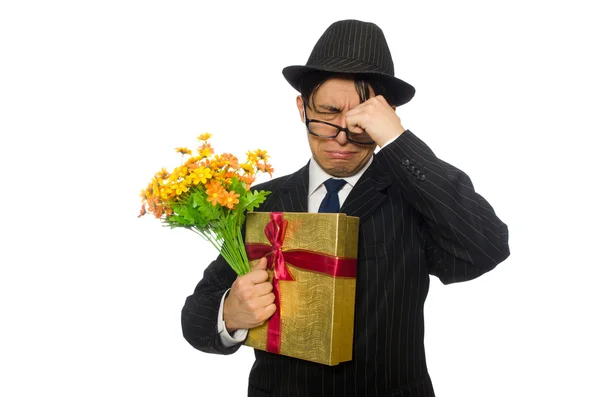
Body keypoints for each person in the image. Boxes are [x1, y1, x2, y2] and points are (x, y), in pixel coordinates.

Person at [181, 19, 510, 397]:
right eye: (328, 113)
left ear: (387, 116)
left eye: (361, 120)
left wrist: (398, 141)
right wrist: (230, 314)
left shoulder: (416, 199)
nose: (342, 135)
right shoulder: (259, 202)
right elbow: (196, 316)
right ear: (302, 108)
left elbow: (485, 248)